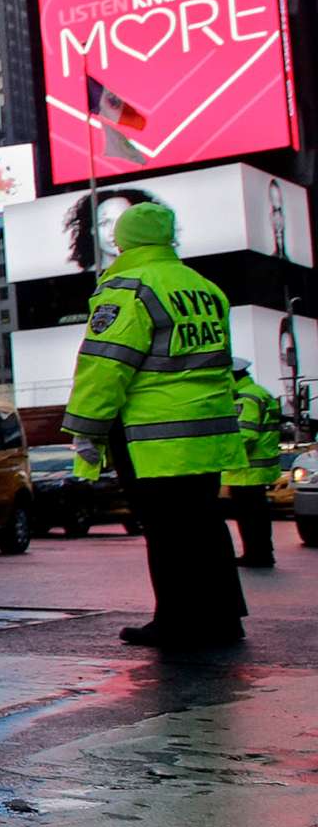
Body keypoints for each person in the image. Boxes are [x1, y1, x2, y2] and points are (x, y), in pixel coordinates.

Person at [62, 201, 248, 648]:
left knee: (167, 533)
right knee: (205, 525)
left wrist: (86, 433)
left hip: (154, 438)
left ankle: (177, 621)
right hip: (207, 433)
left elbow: (105, 369)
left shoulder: (129, 288)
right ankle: (224, 618)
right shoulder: (204, 288)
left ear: (123, 239)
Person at [226, 357, 285, 569]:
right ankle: (261, 552)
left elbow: (246, 435)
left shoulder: (246, 398)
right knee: (257, 514)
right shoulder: (260, 392)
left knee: (249, 516)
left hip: (247, 469)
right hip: (258, 468)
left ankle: (256, 554)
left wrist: (225, 458)